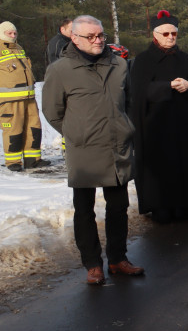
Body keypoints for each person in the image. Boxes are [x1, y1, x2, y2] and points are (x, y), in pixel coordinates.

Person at [41, 15, 143, 285]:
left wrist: (126, 127)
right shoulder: (60, 69)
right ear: (74, 37)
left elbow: (129, 102)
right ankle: (93, 264)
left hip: (117, 147)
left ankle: (118, 259)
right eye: (91, 36)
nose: (98, 41)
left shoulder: (119, 65)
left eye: (101, 36)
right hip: (83, 150)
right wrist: (77, 132)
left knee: (119, 206)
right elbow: (52, 111)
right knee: (84, 209)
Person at [129, 10, 188, 222]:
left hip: (187, 127)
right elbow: (139, 92)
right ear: (156, 35)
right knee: (162, 171)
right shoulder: (142, 60)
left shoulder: (184, 59)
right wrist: (167, 87)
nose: (170, 38)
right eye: (166, 34)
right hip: (157, 129)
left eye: (174, 34)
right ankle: (162, 208)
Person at [1, 21, 46, 171]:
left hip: (29, 98)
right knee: (13, 130)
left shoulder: (19, 48)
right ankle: (13, 162)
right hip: (9, 100)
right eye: (9, 33)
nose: (13, 36)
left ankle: (33, 160)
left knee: (34, 128)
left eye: (15, 33)